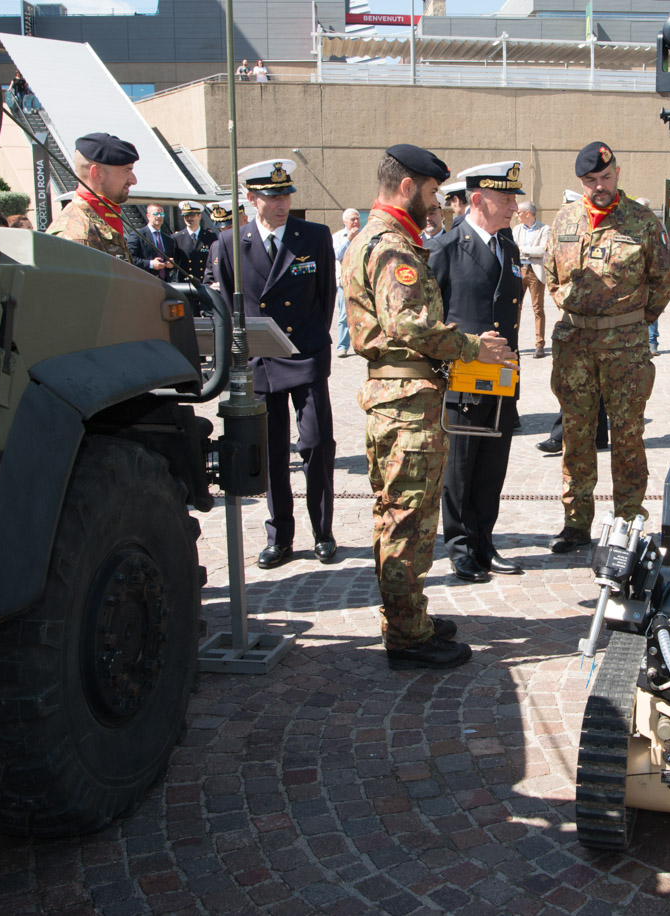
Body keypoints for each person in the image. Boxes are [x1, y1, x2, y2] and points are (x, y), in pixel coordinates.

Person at [342, 144, 512, 669]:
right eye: (434, 191)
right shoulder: (392, 245)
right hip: (405, 402)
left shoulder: (384, 237)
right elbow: (407, 325)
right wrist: (471, 348)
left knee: (407, 514)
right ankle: (407, 637)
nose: (438, 203)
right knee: (406, 519)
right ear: (408, 186)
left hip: (406, 399)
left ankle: (408, 616)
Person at [546, 141, 670, 554]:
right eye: (590, 181)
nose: (599, 187)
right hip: (574, 345)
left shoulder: (641, 220)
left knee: (627, 436)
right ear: (580, 182)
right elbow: (551, 276)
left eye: (605, 178)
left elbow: (664, 281)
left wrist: (632, 321)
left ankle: (628, 522)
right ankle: (575, 523)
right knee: (576, 436)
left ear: (617, 172)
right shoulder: (564, 220)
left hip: (625, 348)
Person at [212, 159, 338, 569]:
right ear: (251, 199)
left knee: (317, 445)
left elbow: (325, 296)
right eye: (272, 196)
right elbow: (232, 308)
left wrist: (313, 344)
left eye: (286, 195)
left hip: (305, 354)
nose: (282, 203)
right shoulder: (230, 243)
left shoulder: (314, 236)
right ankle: (279, 535)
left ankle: (323, 531)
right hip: (262, 360)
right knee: (273, 454)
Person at [429, 161, 528, 583]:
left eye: (512, 198)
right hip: (463, 379)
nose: (512, 206)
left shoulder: (509, 247)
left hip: (503, 377)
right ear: (477, 199)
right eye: (505, 199)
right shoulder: (445, 249)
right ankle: (460, 545)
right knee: (461, 468)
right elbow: (430, 322)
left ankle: (484, 540)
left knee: (493, 465)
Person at [46, 132, 138, 262]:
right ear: (97, 173)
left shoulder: (98, 220)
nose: (134, 180)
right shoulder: (76, 236)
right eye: (126, 171)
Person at [512, 200, 550, 358]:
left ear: (528, 213)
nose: (517, 215)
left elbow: (543, 249)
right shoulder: (517, 229)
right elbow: (513, 248)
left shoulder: (544, 229)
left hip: (535, 272)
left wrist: (523, 250)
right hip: (518, 271)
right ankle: (513, 343)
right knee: (515, 308)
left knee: (538, 309)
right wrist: (526, 252)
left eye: (519, 212)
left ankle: (539, 345)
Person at [333, 207, 362, 357]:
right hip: (343, 283)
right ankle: (342, 346)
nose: (356, 221)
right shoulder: (337, 237)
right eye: (352, 219)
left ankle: (362, 345)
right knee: (344, 316)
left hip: (361, 282)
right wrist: (348, 239)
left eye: (357, 218)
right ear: (345, 222)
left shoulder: (365, 235)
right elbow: (336, 255)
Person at [171, 201, 217, 286]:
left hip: (205, 282)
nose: (189, 219)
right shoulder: (177, 238)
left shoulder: (211, 237)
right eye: (186, 216)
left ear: (199, 216)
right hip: (185, 283)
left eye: (192, 215)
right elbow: (174, 263)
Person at [127, 205, 177, 277]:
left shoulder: (168, 239)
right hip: (145, 280)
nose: (159, 216)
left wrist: (171, 264)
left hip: (165, 282)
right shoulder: (138, 235)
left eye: (162, 214)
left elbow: (173, 259)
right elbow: (129, 258)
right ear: (148, 216)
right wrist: (151, 264)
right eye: (156, 214)